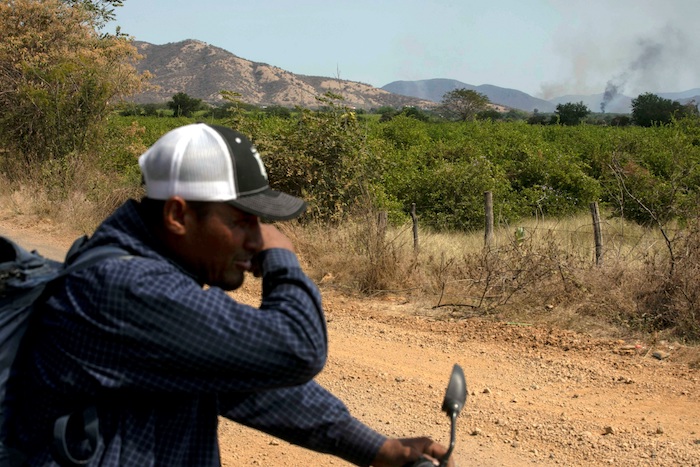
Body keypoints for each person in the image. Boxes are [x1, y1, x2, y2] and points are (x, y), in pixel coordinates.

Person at [8, 123, 452, 466]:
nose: (257, 239)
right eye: (242, 221)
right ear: (178, 214)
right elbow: (297, 348)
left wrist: (376, 447)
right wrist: (282, 259)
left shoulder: (153, 279)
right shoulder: (122, 288)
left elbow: (250, 385)